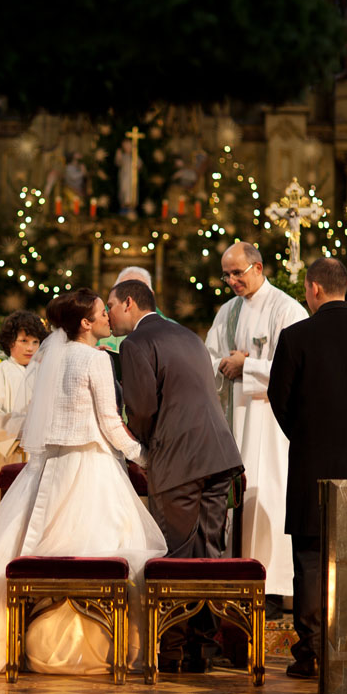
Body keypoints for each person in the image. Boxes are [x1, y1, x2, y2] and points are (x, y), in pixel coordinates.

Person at [0, 288, 166, 677]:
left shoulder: (50, 359)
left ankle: (23, 639)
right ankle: (86, 647)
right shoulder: (94, 359)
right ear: (85, 323)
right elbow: (110, 423)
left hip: (49, 466)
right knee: (97, 547)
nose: (108, 317)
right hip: (90, 465)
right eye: (100, 312)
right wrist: (147, 457)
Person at [268, 258, 347, 679]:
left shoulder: (296, 336)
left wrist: (306, 437)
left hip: (311, 464)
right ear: (344, 287)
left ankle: (310, 654)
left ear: (314, 290)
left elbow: (279, 397)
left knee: (309, 557)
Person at [107, 279, 243, 669]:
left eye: (112, 305)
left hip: (178, 459)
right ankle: (201, 647)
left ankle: (171, 651)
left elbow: (144, 407)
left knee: (175, 555)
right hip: (219, 456)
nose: (109, 315)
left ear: (129, 303)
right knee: (208, 553)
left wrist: (144, 450)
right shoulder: (189, 336)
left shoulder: (134, 343)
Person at [204, 242, 307, 617]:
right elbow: (210, 357)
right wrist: (226, 364)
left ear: (258, 268)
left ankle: (272, 588)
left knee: (268, 496)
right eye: (226, 275)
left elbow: (294, 369)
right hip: (233, 420)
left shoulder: (286, 309)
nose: (231, 281)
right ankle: (236, 580)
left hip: (269, 421)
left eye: (238, 273)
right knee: (237, 501)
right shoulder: (227, 312)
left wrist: (247, 365)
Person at [0, 310, 48, 528]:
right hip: (9, 456)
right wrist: (27, 424)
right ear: (10, 342)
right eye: (24, 341)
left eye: (35, 342)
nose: (30, 348)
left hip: (39, 458)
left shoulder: (46, 374)